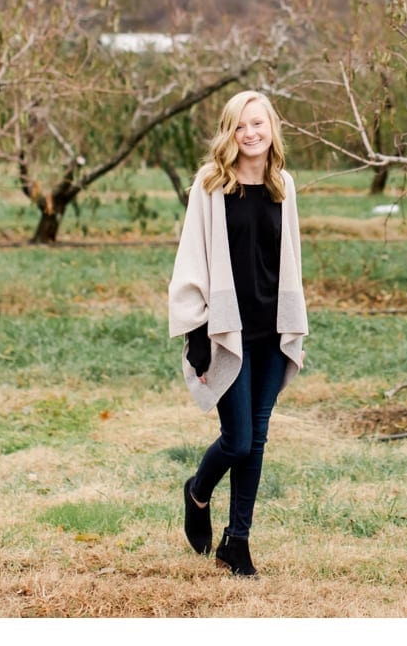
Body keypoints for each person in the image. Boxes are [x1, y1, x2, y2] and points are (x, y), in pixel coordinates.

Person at [167, 90, 308, 576]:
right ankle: (197, 491)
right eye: (240, 126)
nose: (251, 133)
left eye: (258, 124)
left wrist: (293, 322)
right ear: (230, 133)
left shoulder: (283, 186)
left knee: (259, 437)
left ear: (272, 128)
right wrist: (197, 334)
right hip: (228, 330)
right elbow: (191, 261)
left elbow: (288, 261)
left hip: (271, 330)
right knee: (238, 441)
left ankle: (237, 541)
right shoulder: (210, 186)